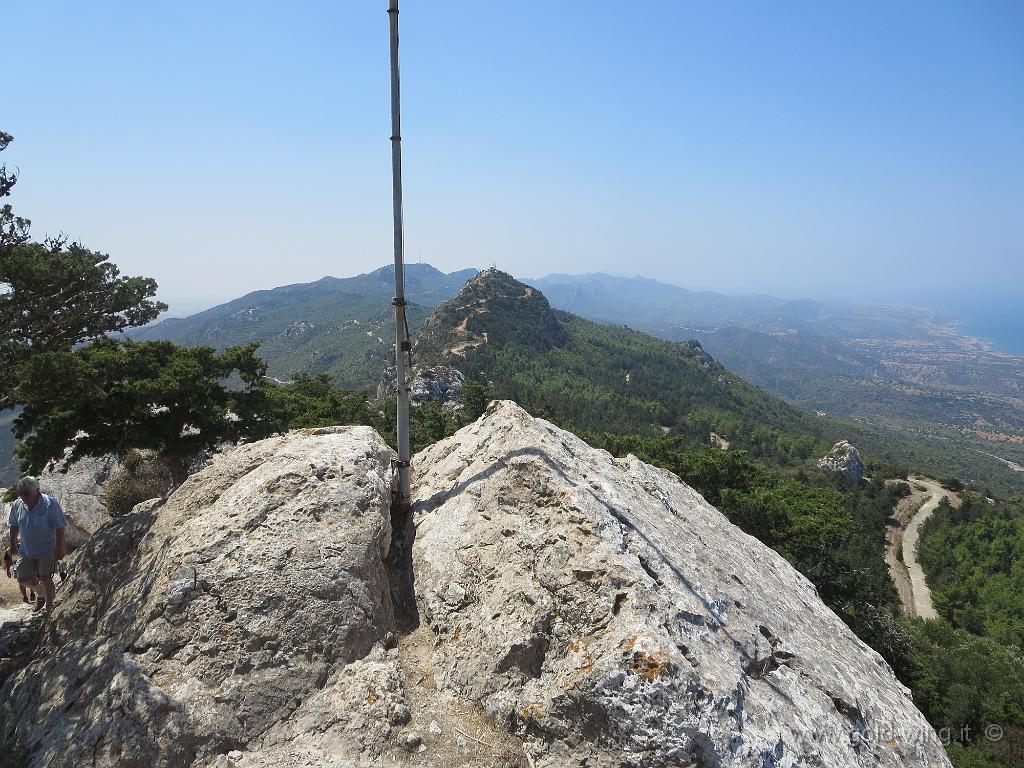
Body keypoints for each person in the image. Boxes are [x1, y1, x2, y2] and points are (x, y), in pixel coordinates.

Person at [8, 477, 67, 613]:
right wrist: (12, 543)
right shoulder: (17, 504)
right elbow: (14, 525)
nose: (23, 496)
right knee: (22, 577)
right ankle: (40, 594)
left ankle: (50, 609)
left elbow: (60, 526)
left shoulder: (49, 504)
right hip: (26, 549)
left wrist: (59, 547)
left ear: (37, 490)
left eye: (26, 493)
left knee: (45, 577)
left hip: (46, 548)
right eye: (21, 493)